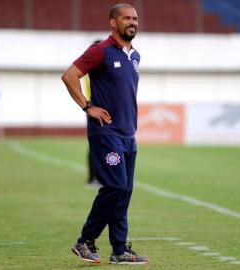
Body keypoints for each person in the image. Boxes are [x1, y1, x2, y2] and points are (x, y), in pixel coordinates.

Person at [61, 3, 148, 265]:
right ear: (113, 22)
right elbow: (70, 76)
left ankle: (119, 250)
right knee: (116, 186)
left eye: (134, 18)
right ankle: (84, 241)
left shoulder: (134, 56)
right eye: (126, 18)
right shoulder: (100, 51)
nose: (132, 22)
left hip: (127, 134)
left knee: (124, 192)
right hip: (106, 133)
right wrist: (88, 106)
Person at [84, 40, 102, 188]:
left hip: (95, 110)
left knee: (98, 146)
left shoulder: (90, 69)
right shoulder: (93, 70)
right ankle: (92, 178)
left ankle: (95, 178)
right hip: (97, 110)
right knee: (96, 147)